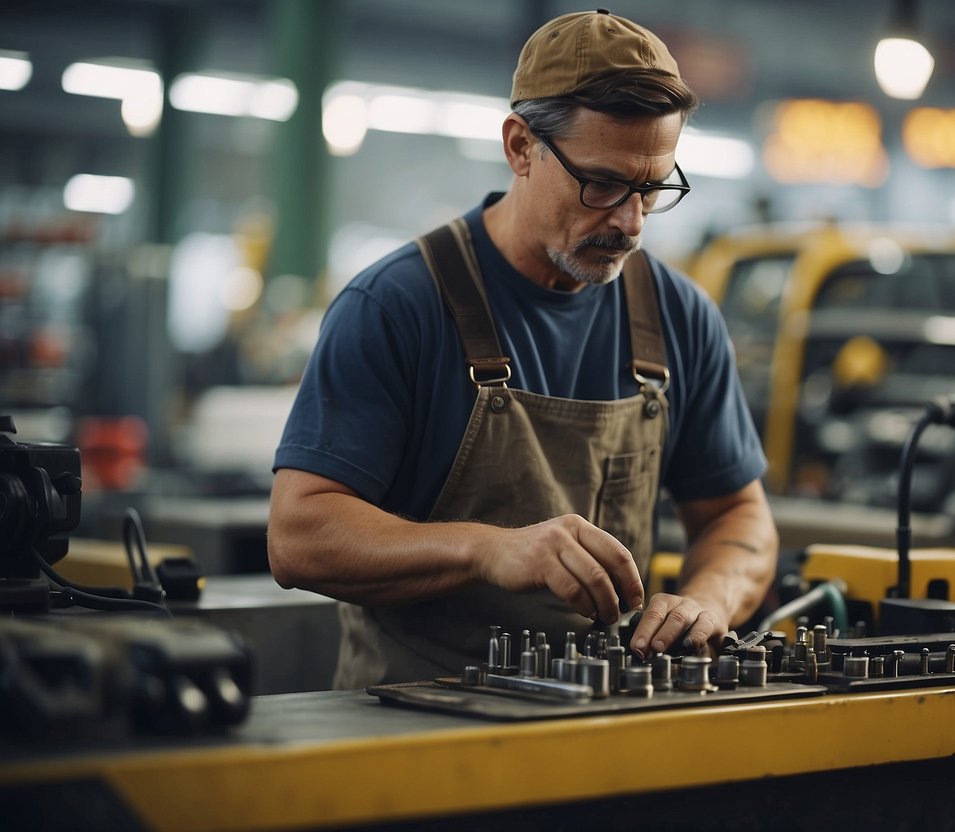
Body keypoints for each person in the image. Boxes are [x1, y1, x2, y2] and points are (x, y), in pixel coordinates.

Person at [267, 8, 777, 688]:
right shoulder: (397, 305)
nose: (629, 222)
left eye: (652, 189)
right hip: (412, 730)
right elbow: (299, 536)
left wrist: (707, 601)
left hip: (605, 723)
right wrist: (484, 549)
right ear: (520, 147)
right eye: (601, 183)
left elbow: (737, 515)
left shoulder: (678, 316)